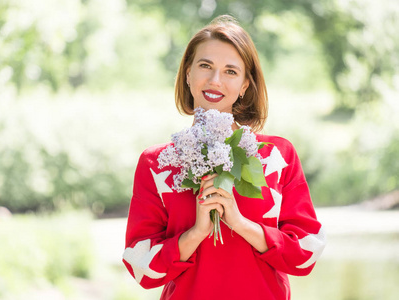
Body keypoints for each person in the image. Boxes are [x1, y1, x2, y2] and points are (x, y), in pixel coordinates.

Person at [122, 15, 326, 300]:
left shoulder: (277, 156)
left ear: (244, 85)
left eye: (231, 71)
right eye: (205, 66)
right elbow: (139, 265)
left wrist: (241, 224)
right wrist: (195, 234)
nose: (215, 80)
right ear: (187, 74)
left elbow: (305, 254)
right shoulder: (156, 164)